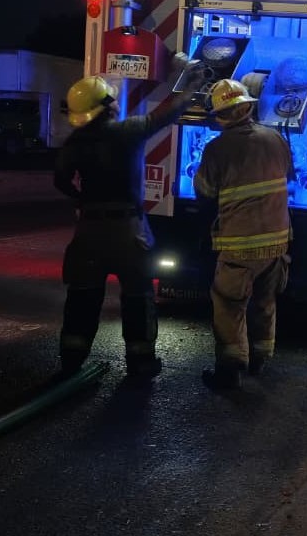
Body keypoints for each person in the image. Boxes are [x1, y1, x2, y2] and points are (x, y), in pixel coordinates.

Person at [53, 69, 203, 380]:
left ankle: (71, 360)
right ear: (107, 105)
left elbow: (61, 181)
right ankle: (141, 363)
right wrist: (191, 84)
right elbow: (167, 113)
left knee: (82, 296)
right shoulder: (130, 131)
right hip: (128, 230)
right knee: (138, 297)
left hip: (89, 232)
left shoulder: (74, 143)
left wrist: (82, 200)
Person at [194, 78, 292, 391]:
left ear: (220, 115)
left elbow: (204, 191)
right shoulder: (275, 138)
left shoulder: (216, 148)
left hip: (238, 245)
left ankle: (230, 370)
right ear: (248, 106)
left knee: (228, 306)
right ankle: (261, 359)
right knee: (265, 302)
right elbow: (289, 173)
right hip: (277, 241)